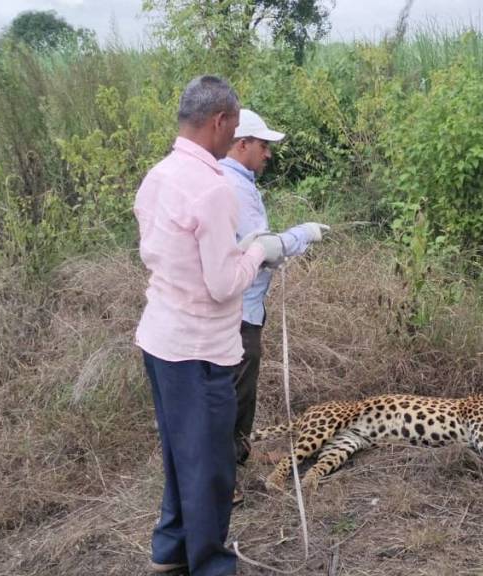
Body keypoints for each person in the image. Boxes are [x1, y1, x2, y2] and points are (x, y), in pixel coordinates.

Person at [134, 76, 288, 576]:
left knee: (181, 452)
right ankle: (209, 565)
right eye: (236, 127)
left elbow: (163, 254)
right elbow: (224, 285)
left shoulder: (158, 175)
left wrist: (237, 252)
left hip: (160, 338)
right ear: (221, 122)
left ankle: (170, 548)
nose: (236, 137)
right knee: (212, 466)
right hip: (198, 349)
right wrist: (259, 251)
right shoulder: (212, 188)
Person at [220, 109, 329, 503]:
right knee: (232, 394)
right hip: (237, 311)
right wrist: (302, 235)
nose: (268, 154)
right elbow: (261, 248)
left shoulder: (235, 180)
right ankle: (223, 481)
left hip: (242, 308)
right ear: (242, 143)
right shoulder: (232, 186)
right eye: (263, 145)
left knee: (239, 390)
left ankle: (237, 456)